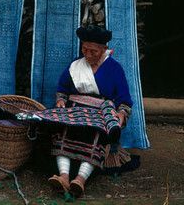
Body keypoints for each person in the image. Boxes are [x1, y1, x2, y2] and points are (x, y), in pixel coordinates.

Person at [48, 25, 133, 199]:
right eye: (84, 49)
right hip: (75, 108)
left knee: (97, 134)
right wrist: (61, 100)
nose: (88, 54)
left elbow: (124, 98)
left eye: (93, 51)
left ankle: (80, 179)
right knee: (64, 129)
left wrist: (121, 114)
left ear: (104, 49)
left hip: (101, 111)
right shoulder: (75, 66)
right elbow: (62, 89)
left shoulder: (114, 69)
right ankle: (63, 176)